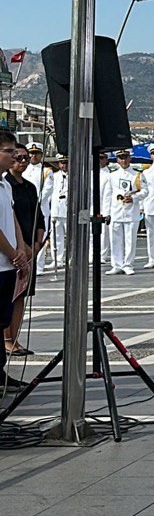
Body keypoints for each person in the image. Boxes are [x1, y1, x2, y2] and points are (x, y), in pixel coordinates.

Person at [5, 145, 44, 358]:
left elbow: (39, 215)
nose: (22, 161)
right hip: (13, 250)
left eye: (25, 158)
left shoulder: (29, 187)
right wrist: (21, 248)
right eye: (18, 157)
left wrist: (38, 242)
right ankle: (6, 339)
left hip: (30, 249)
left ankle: (15, 338)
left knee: (22, 295)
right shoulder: (6, 185)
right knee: (9, 296)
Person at [0, 130, 32, 389]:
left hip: (8, 264)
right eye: (9, 152)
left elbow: (12, 219)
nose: (14, 157)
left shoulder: (4, 185)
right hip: (2, 261)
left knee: (3, 317)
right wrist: (12, 253)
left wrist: (21, 248)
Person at [106, 148, 146, 276]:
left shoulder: (137, 174)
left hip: (131, 211)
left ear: (129, 158)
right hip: (116, 210)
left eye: (125, 157)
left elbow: (145, 191)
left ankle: (128, 264)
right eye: (120, 158)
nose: (123, 160)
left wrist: (133, 198)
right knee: (115, 239)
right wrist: (107, 212)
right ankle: (116, 264)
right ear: (117, 159)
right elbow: (108, 195)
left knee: (130, 240)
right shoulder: (112, 175)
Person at [23, 142, 52, 275]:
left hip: (40, 209)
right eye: (31, 153)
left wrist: (35, 202)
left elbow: (47, 190)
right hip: (25, 210)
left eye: (36, 153)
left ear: (41, 155)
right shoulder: (24, 169)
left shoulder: (46, 171)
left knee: (39, 238)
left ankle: (38, 265)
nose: (33, 156)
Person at [44, 155, 69, 269]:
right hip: (56, 210)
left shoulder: (76, 176)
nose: (64, 165)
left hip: (68, 211)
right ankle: (57, 260)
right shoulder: (54, 176)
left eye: (66, 162)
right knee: (56, 237)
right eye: (62, 163)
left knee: (71, 238)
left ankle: (71, 259)